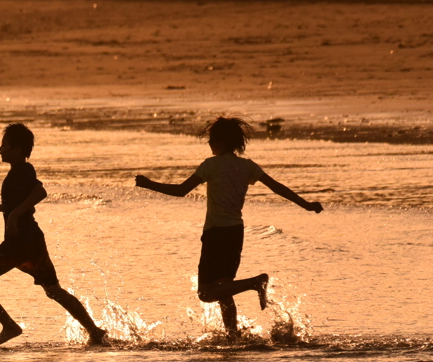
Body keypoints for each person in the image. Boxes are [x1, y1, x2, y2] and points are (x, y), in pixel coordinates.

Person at [135, 116, 323, 337]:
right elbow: (277, 187)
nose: (209, 144)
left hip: (216, 234)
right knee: (224, 289)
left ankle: (255, 282)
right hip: (235, 234)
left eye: (211, 140)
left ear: (221, 142)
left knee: (206, 293)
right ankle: (232, 337)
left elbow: (180, 191)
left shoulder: (211, 165)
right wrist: (307, 205)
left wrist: (148, 184)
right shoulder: (247, 166)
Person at [0, 123, 109, 347]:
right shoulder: (17, 173)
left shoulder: (24, 170)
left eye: (5, 145)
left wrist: (12, 217)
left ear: (19, 149)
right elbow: (22, 200)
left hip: (19, 242)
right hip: (32, 240)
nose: (0, 149)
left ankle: (10, 326)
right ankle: (94, 331)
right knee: (53, 290)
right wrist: (2, 208)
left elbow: (40, 192)